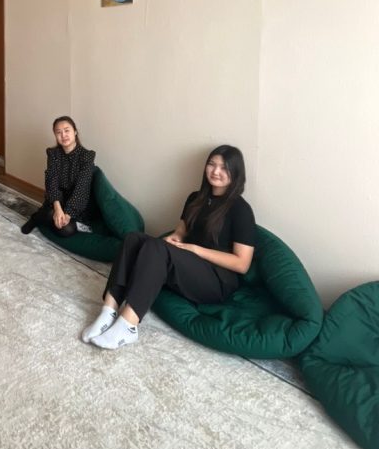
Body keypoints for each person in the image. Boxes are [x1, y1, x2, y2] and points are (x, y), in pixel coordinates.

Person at [82, 145, 255, 350]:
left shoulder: (241, 210)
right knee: (133, 238)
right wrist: (174, 238)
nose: (216, 171)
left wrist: (195, 250)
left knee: (157, 249)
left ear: (236, 173)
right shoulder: (195, 198)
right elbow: (180, 232)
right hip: (189, 264)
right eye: (212, 164)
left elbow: (242, 263)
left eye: (224, 167)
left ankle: (128, 325)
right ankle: (108, 312)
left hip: (216, 281)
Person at [20, 116, 96, 237]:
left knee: (67, 230)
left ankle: (43, 217)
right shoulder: (53, 154)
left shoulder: (87, 156)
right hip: (57, 199)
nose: (63, 135)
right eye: (58, 132)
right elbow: (52, 180)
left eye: (67, 130)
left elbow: (82, 187)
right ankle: (37, 218)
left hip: (77, 201)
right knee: (52, 215)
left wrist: (68, 214)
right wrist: (57, 209)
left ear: (75, 132)